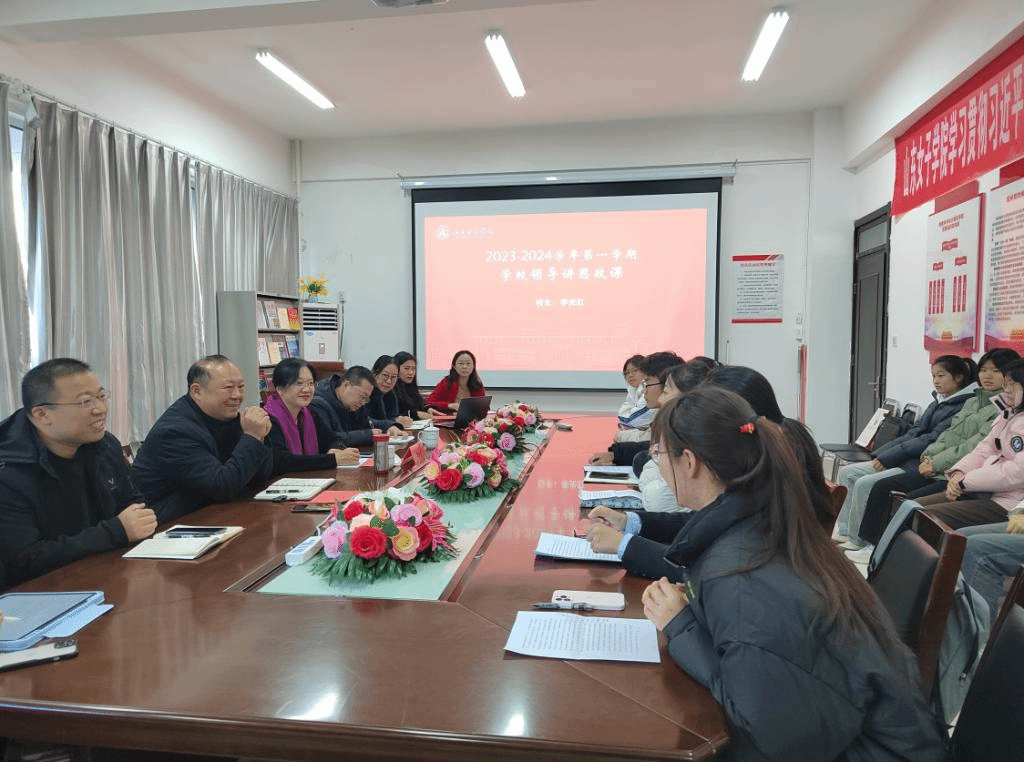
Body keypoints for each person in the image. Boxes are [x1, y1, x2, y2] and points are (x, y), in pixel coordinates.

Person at [637, 386, 946, 760]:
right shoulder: (767, 524)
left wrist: (683, 628)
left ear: (689, 462)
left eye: (658, 454)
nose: (657, 464)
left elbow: (771, 741)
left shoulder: (743, 578)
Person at [586, 365, 835, 578]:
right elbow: (700, 522)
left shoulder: (765, 490)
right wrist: (630, 522)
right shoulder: (760, 468)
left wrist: (624, 545)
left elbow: (700, 571)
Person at [0, 359, 157, 586]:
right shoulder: (9, 474)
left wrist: (133, 524)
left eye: (101, 396)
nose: (101, 409)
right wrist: (115, 532)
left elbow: (133, 506)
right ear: (42, 415)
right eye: (85, 402)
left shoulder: (105, 445)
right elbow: (24, 561)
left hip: (105, 574)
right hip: (40, 594)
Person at [855, 348, 1019, 545]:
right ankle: (880, 551)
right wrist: (934, 460)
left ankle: (886, 551)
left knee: (911, 507)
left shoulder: (999, 410)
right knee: (906, 503)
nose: (988, 376)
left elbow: (974, 448)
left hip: (979, 487)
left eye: (996, 371)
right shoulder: (982, 405)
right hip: (954, 474)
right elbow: (958, 440)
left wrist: (956, 476)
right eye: (984, 370)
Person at [836, 354, 977, 561]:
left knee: (867, 483)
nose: (936, 381)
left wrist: (890, 458)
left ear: (958, 377)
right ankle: (847, 531)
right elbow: (915, 431)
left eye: (941, 376)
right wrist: (883, 454)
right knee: (848, 473)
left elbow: (931, 439)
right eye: (933, 376)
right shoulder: (938, 401)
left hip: (919, 463)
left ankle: (862, 541)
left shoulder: (963, 405)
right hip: (905, 458)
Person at [132, 355, 274, 521]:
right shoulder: (174, 432)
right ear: (197, 391)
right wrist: (252, 436)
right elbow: (222, 487)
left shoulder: (227, 417)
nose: (237, 395)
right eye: (228, 388)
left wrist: (259, 437)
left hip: (211, 513)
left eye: (241, 387)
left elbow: (259, 477)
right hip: (168, 524)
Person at [909, 357, 1024, 530]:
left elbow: (1015, 472)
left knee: (926, 517)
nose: (1006, 390)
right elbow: (983, 449)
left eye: (1012, 385)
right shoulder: (1007, 413)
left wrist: (965, 482)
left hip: (1007, 502)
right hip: (979, 488)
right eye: (1006, 384)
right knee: (913, 506)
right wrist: (958, 473)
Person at [263, 358, 359, 471]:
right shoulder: (269, 418)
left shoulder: (309, 414)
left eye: (310, 383)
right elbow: (282, 461)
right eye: (299, 383)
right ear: (280, 389)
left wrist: (335, 449)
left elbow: (333, 439)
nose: (307, 389)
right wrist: (332, 459)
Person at [589, 351, 684, 466]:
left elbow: (630, 421)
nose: (644, 390)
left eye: (647, 382)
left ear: (666, 384)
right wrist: (616, 454)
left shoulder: (680, 421)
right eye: (627, 373)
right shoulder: (669, 413)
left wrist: (617, 451)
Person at [309, 365, 401, 449]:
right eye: (362, 396)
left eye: (366, 398)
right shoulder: (318, 403)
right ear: (346, 385)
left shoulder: (349, 403)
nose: (363, 402)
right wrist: (368, 435)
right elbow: (330, 440)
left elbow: (367, 422)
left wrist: (389, 426)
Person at [367, 355, 414, 431]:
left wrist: (399, 419)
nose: (389, 381)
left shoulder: (391, 393)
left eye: (393, 377)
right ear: (375, 374)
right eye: (385, 375)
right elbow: (366, 421)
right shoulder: (366, 394)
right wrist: (393, 423)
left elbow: (391, 417)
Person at [393, 351, 431, 420]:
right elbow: (392, 416)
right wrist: (415, 414)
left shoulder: (410, 387)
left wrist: (426, 408)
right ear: (396, 369)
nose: (411, 372)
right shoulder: (391, 389)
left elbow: (416, 406)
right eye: (406, 368)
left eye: (413, 369)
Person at [617, 354, 651, 430]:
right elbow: (621, 416)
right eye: (627, 373)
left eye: (635, 370)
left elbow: (633, 420)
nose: (630, 375)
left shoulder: (650, 390)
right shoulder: (632, 391)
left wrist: (628, 416)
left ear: (646, 371)